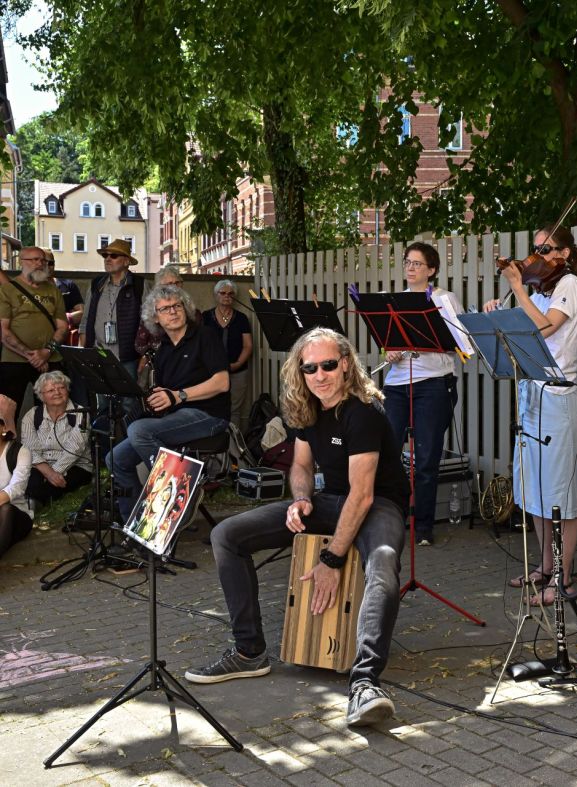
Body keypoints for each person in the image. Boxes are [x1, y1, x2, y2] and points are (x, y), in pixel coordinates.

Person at [185, 327, 410, 729]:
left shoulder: (363, 412)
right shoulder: (307, 409)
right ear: (300, 371)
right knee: (226, 536)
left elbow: (362, 497)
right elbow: (302, 467)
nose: (319, 375)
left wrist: (331, 558)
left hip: (379, 502)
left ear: (345, 366)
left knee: (383, 562)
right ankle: (249, 651)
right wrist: (302, 499)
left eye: (327, 365)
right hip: (332, 499)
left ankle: (364, 683)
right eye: (310, 368)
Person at [483, 226, 577, 605]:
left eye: (547, 248)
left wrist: (519, 289)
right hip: (530, 391)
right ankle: (545, 566)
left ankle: (563, 577)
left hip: (558, 396)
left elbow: (545, 327)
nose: (538, 254)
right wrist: (498, 310)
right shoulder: (539, 289)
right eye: (535, 248)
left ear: (564, 253)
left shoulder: (569, 284)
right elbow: (519, 329)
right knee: (538, 490)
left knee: (560, 492)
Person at [107, 285, 230, 522]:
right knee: (115, 458)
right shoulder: (162, 349)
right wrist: (159, 397)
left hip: (210, 416)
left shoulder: (205, 336)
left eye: (177, 306)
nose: (172, 312)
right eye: (165, 309)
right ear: (155, 317)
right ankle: (136, 520)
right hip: (177, 418)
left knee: (138, 430)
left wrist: (178, 395)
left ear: (186, 309)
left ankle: (180, 495)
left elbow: (222, 382)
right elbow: (168, 395)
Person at [383, 242, 461, 546]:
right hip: (398, 384)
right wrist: (390, 350)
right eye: (408, 262)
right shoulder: (395, 300)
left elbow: (458, 343)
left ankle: (423, 527)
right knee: (389, 453)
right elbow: (386, 339)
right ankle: (392, 518)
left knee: (426, 458)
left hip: (433, 383)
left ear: (431, 270)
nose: (410, 267)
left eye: (417, 263)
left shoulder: (444, 299)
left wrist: (425, 341)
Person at [0, 246, 69, 433]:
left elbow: (63, 327)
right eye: (34, 260)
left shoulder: (53, 290)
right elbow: (3, 331)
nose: (40, 264)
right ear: (22, 262)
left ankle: (49, 456)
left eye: (43, 260)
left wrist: (46, 352)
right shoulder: (7, 290)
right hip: (14, 360)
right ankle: (8, 458)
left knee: (54, 411)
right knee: (6, 412)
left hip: (50, 359)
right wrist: (32, 356)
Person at [21, 371, 93, 505]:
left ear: (68, 390)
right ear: (41, 396)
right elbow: (29, 448)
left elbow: (75, 449)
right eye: (50, 390)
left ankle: (37, 501)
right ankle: (34, 502)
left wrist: (54, 473)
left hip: (75, 464)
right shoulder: (32, 415)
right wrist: (47, 472)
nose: (57, 392)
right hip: (41, 465)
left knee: (46, 487)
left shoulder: (81, 413)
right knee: (29, 481)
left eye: (61, 388)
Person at [80, 239, 145, 383]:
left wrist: (144, 356)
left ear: (126, 261)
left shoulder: (139, 285)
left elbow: (149, 323)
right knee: (101, 401)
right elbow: (85, 320)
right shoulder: (96, 284)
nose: (108, 259)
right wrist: (84, 351)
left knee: (128, 402)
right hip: (99, 353)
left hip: (128, 356)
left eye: (114, 256)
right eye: (105, 256)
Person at [202, 279, 253, 432]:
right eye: (223, 293)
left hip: (237, 371)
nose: (227, 296)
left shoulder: (242, 318)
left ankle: (234, 449)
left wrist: (237, 364)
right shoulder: (205, 317)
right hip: (211, 373)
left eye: (231, 294)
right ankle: (215, 442)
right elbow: (201, 345)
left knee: (234, 410)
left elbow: (248, 346)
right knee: (211, 408)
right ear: (216, 295)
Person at [136, 264, 186, 360]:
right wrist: (149, 355)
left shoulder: (191, 310)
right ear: (158, 287)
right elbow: (139, 344)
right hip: (158, 362)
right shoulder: (151, 312)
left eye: (177, 283)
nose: (175, 287)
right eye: (170, 284)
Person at [0, 419, 33, 559]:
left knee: (5, 509)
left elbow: (17, 486)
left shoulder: (20, 451)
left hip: (16, 515)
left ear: (2, 428)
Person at [47, 251, 85, 343]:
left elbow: (82, 314)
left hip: (65, 342)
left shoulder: (68, 285)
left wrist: (66, 318)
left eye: (50, 263)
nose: (47, 266)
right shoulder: (28, 288)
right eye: (43, 262)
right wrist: (70, 315)